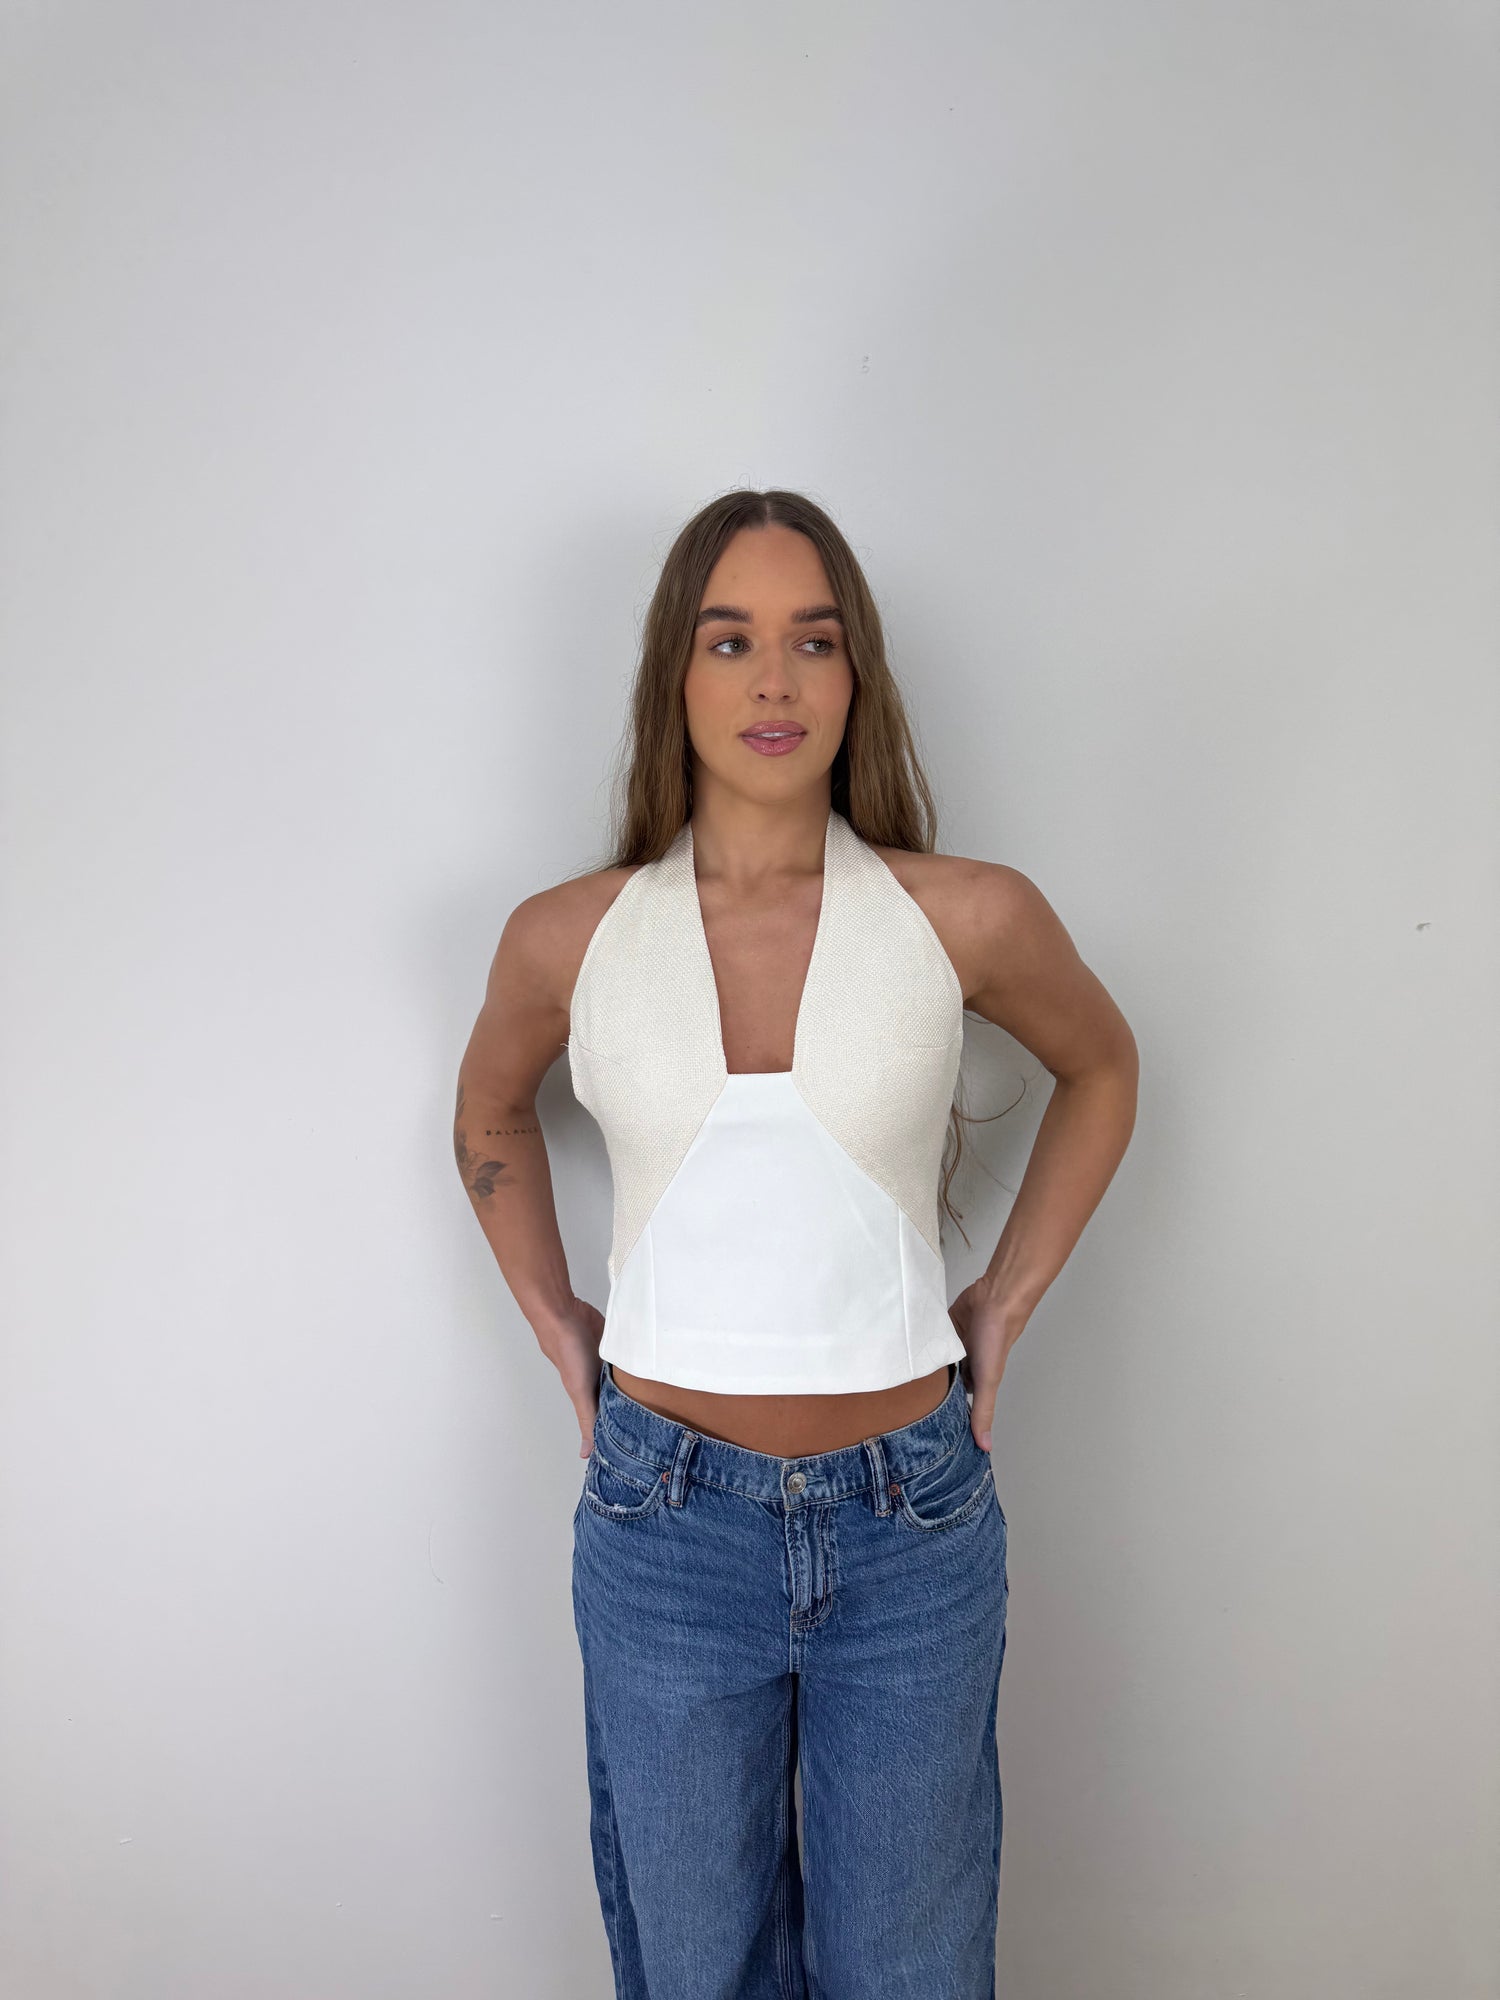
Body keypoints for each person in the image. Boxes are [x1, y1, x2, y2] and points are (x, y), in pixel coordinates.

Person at [454, 489, 1138, 1999]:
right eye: (732, 640)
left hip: (914, 1528)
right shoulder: (569, 937)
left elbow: (1104, 1067)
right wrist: (560, 1320)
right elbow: (488, 1111)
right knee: (698, 1968)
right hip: (666, 1530)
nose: (775, 680)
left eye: (813, 642)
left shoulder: (967, 916)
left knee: (913, 1969)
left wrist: (1005, 1302)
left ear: (855, 673)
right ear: (675, 672)